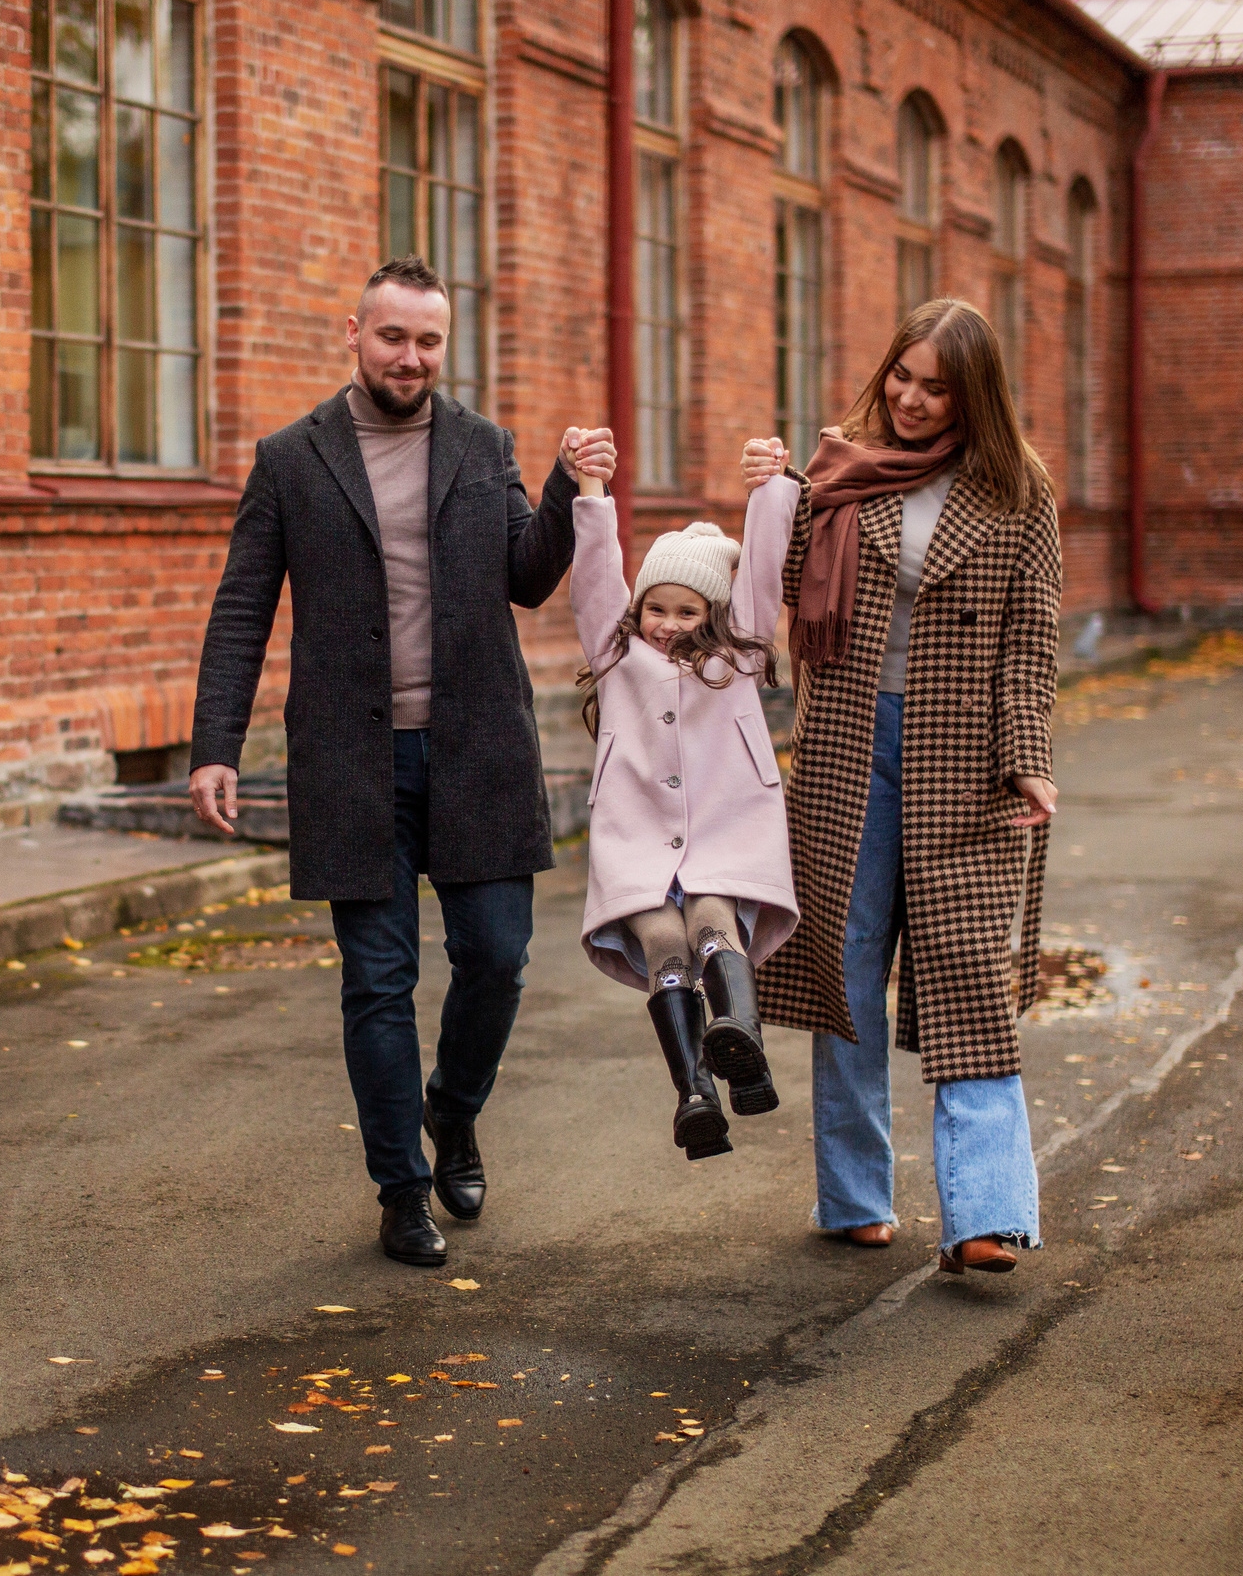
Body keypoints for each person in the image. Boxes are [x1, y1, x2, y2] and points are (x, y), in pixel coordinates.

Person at [188, 256, 611, 1268]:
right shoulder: (291, 459)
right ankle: (400, 1190)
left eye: (427, 342)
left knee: (497, 960)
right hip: (349, 762)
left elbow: (525, 575)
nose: (410, 358)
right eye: (392, 338)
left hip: (478, 753)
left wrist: (562, 484)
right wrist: (214, 746)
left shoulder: (480, 446)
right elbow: (243, 605)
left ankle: (452, 1113)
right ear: (353, 334)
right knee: (377, 984)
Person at [747, 297, 1062, 1276]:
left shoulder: (1017, 494)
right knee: (844, 967)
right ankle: (853, 1196)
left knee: (969, 977)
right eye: (902, 377)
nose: (913, 400)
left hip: (962, 758)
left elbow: (1031, 639)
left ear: (973, 395)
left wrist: (1028, 758)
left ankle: (985, 1211)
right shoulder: (842, 474)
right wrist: (775, 496)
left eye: (936, 386)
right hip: (848, 747)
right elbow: (788, 586)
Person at [567, 431, 803, 1160]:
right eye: (657, 609)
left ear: (716, 615)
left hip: (724, 829)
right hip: (635, 833)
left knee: (709, 924)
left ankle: (742, 1042)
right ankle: (694, 1092)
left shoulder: (740, 657)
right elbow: (597, 576)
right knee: (664, 945)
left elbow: (763, 574)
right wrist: (591, 489)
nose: (668, 625)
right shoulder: (614, 653)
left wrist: (770, 488)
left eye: (688, 612)